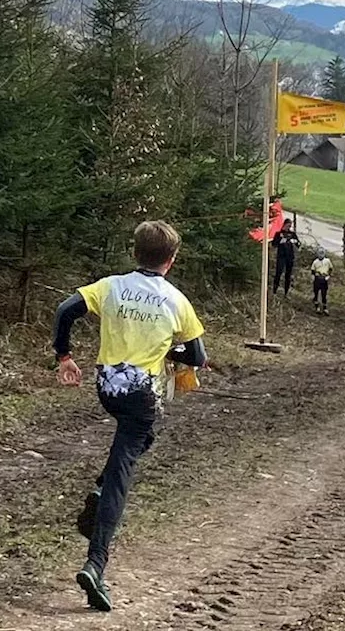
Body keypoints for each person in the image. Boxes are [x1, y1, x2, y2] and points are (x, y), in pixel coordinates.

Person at [52, 221, 207, 612]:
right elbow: (198, 357)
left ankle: (102, 489)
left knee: (138, 439)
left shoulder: (110, 286)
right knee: (126, 463)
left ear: (135, 252)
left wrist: (64, 357)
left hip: (108, 388)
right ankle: (95, 564)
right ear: (170, 261)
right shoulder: (176, 301)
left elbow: (65, 310)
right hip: (142, 394)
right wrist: (168, 352)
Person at [271, 219, 300, 297]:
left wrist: (294, 242)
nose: (289, 228)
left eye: (290, 226)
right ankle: (274, 291)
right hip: (281, 256)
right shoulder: (279, 233)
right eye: (288, 226)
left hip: (290, 256)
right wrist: (281, 241)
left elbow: (298, 244)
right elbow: (274, 244)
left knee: (288, 275)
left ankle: (286, 293)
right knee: (278, 273)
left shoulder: (292, 234)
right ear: (284, 225)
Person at [311, 247, 333, 315]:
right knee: (316, 293)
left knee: (324, 293)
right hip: (317, 278)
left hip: (324, 278)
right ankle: (317, 307)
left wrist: (328, 276)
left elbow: (330, 268)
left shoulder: (327, 261)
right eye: (320, 253)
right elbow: (312, 270)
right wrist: (313, 277)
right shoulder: (315, 262)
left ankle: (325, 308)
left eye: (322, 253)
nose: (321, 255)